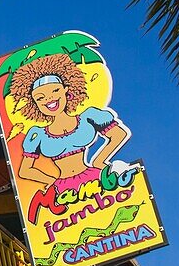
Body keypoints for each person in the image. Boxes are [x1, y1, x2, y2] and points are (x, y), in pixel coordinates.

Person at [8, 54, 130, 192]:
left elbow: (119, 134)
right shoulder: (37, 134)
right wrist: (51, 181)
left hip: (93, 178)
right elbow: (25, 170)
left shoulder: (89, 117)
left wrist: (99, 161)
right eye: (40, 98)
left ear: (66, 90)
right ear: (34, 103)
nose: (49, 99)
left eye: (55, 90)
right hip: (63, 189)